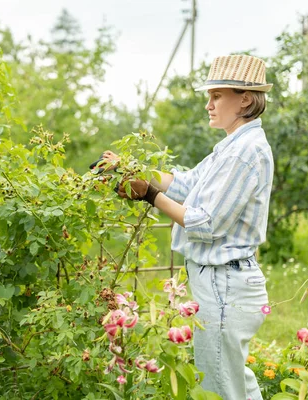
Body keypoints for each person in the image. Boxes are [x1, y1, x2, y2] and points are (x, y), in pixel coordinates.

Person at [100, 54, 274, 399]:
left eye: (217, 96)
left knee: (220, 387)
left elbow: (204, 223)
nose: (209, 105)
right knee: (234, 381)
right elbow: (187, 183)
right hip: (223, 281)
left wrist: (147, 193)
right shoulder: (233, 147)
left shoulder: (243, 152)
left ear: (245, 99)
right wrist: (131, 169)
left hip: (226, 283)